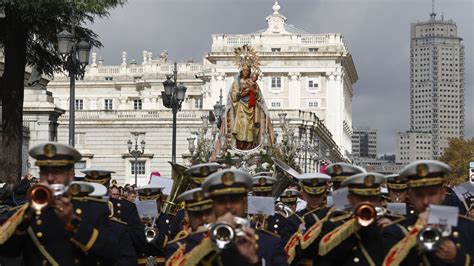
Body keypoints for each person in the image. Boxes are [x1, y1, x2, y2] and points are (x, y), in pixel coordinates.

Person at [0, 142, 119, 265]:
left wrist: (74, 222)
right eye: (45, 172)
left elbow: (111, 253)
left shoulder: (93, 208)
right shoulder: (27, 211)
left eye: (57, 172)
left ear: (70, 176)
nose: (50, 178)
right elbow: (8, 253)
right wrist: (24, 220)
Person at [174, 169, 288, 265]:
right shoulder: (196, 241)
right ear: (213, 205)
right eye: (221, 201)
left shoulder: (270, 242)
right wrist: (208, 245)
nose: (228, 206)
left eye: (235, 200)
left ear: (245, 203)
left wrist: (255, 261)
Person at [382, 160, 474, 265]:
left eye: (432, 194)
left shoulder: (467, 227)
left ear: (443, 194)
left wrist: (458, 257)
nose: (426, 201)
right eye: (419, 195)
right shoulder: (395, 231)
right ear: (410, 196)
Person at [318, 173, 390, 266]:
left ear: (379, 200)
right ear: (350, 199)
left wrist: (390, 230)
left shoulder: (389, 226)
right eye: (361, 198)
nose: (367, 203)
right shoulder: (333, 226)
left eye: (372, 199)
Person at [165, 188, 216, 263]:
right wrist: (196, 239)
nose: (204, 218)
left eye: (208, 212)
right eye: (197, 214)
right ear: (187, 215)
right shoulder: (175, 247)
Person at [230, 65, 263, 150]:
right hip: (241, 106)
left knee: (250, 127)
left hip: (251, 107)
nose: (245, 72)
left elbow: (259, 95)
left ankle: (249, 146)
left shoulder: (253, 82)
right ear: (241, 71)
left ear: (249, 72)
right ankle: (240, 146)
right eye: (244, 70)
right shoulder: (237, 82)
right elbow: (233, 94)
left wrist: (252, 90)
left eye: (247, 70)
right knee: (242, 124)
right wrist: (241, 94)